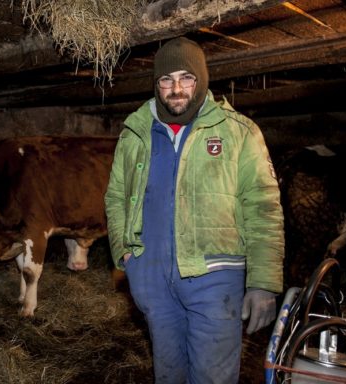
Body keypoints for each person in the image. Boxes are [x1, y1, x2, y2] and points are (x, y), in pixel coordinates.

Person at [104, 36, 284, 383]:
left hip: (215, 278)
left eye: (186, 77)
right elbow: (115, 196)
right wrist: (126, 254)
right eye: (166, 80)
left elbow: (263, 206)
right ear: (156, 84)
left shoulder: (238, 132)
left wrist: (263, 282)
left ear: (201, 79)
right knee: (168, 373)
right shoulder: (135, 133)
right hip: (153, 277)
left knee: (212, 376)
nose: (176, 89)